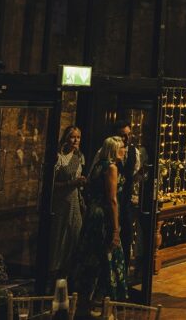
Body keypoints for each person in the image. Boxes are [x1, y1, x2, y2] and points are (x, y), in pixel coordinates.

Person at [70, 136, 127, 313]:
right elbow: (112, 200)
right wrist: (116, 229)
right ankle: (104, 304)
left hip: (92, 214)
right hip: (103, 216)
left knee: (91, 255)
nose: (124, 151)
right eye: (122, 148)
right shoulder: (110, 168)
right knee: (108, 256)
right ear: (114, 150)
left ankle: (86, 301)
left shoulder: (97, 166)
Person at [49, 126, 86, 278]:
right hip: (61, 201)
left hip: (75, 200)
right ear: (66, 138)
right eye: (73, 137)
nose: (76, 140)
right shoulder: (59, 157)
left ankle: (69, 271)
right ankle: (54, 271)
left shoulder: (79, 156)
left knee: (74, 233)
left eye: (78, 137)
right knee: (60, 235)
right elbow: (51, 184)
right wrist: (71, 183)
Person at [112, 121, 140, 268]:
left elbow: (135, 174)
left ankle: (125, 266)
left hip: (126, 198)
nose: (126, 138)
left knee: (127, 233)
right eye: (123, 135)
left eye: (128, 134)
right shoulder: (108, 152)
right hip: (112, 197)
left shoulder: (134, 152)